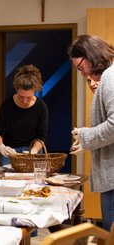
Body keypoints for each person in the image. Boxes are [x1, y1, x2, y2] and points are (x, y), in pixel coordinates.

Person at [68, 34, 114, 231]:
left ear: (91, 56)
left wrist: (85, 136)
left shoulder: (110, 77)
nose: (82, 73)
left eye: (80, 67)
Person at [0, 64, 49, 166]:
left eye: (29, 97)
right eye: (21, 96)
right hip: (11, 153)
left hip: (32, 152)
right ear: (16, 89)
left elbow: (41, 137)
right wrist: (1, 147)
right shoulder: (7, 105)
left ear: (35, 91)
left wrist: (34, 150)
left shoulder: (41, 107)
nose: (25, 100)